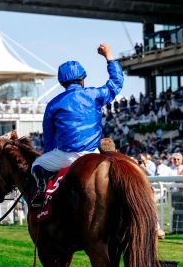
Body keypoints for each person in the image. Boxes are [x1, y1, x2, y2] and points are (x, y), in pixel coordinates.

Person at [31, 43, 124, 207]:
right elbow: (116, 83)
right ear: (82, 79)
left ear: (62, 83)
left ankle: (40, 193)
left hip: (65, 156)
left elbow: (49, 138)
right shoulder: (94, 94)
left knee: (37, 164)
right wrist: (108, 56)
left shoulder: (53, 104)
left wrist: (49, 154)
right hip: (93, 153)